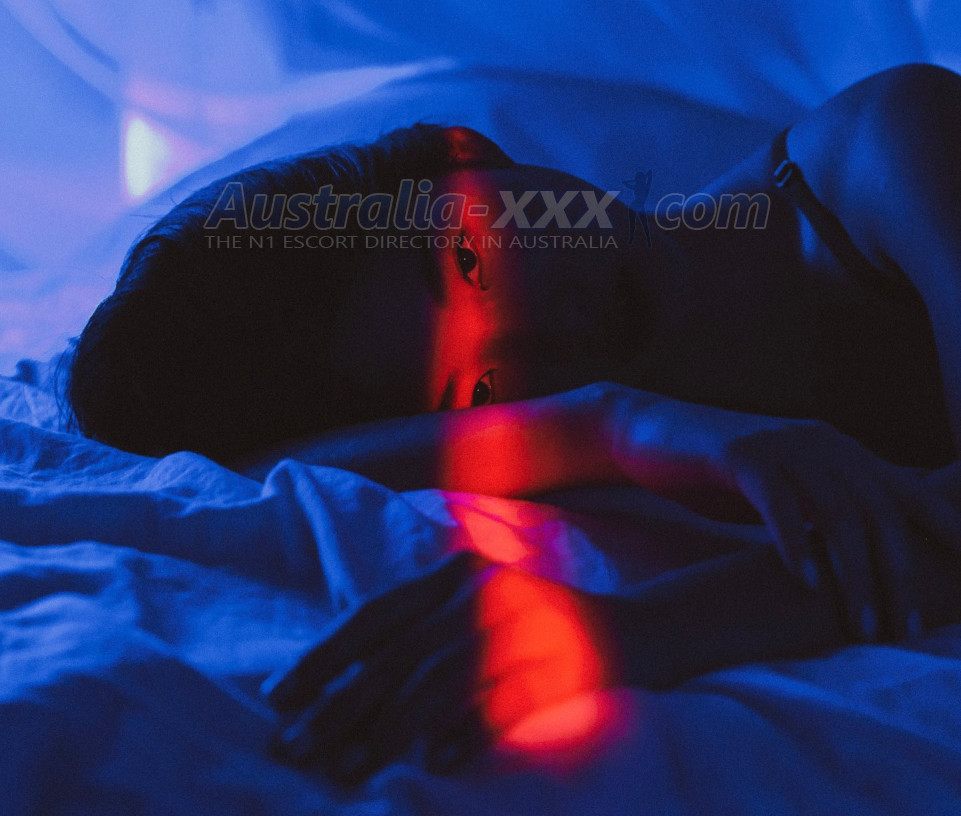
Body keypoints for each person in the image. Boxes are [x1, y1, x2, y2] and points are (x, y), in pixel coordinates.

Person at [64, 61, 961, 776]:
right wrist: (608, 424)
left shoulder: (893, 146)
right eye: (479, 389)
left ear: (469, 152)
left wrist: (639, 630)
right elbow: (260, 468)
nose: (534, 332)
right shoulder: (630, 414)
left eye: (466, 259)